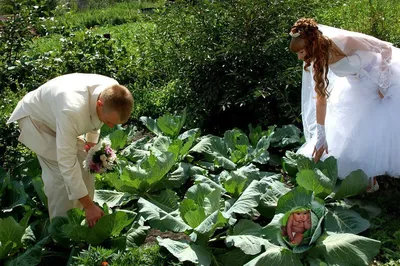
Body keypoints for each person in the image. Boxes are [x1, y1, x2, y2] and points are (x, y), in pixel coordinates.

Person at [7, 73, 134, 227]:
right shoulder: (71, 110)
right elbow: (66, 162)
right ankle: (62, 232)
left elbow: (96, 120)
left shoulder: (113, 91)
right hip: (37, 122)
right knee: (59, 176)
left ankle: (87, 219)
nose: (110, 126)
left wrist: (91, 145)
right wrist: (88, 205)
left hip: (59, 118)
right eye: (109, 122)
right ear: (99, 104)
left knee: (85, 163)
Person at [289, 18, 400, 192]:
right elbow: (320, 99)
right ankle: (370, 178)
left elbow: (385, 48)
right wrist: (321, 137)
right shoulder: (317, 60)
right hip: (358, 88)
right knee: (360, 131)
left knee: (388, 125)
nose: (299, 57)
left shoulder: (344, 41)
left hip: (385, 79)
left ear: (312, 44)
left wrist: (383, 84)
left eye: (301, 51)